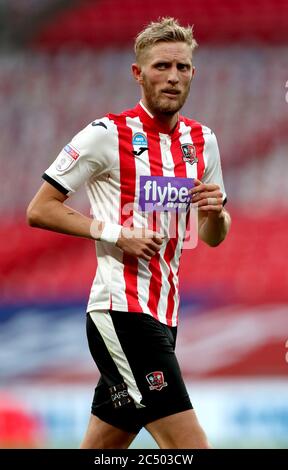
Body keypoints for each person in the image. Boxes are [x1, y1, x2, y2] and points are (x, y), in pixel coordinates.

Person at [27, 17, 231, 449]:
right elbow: (40, 209)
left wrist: (216, 214)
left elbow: (214, 235)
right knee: (189, 448)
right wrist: (116, 233)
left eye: (182, 67)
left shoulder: (203, 140)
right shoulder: (106, 135)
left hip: (165, 316)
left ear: (193, 72)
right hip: (121, 312)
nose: (173, 77)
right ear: (138, 73)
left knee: (102, 449)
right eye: (161, 67)